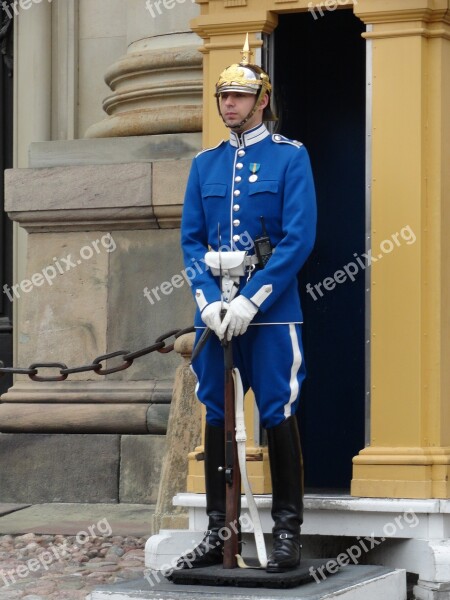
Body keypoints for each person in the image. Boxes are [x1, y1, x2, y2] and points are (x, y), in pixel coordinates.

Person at [178, 35, 317, 573]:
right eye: (223, 97)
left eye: (239, 96)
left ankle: (286, 533)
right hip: (215, 315)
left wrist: (252, 302)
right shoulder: (205, 163)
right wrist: (209, 302)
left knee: (278, 410)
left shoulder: (290, 158)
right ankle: (219, 531)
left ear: (262, 100)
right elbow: (192, 242)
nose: (228, 106)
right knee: (216, 413)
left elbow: (298, 239)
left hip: (272, 311)